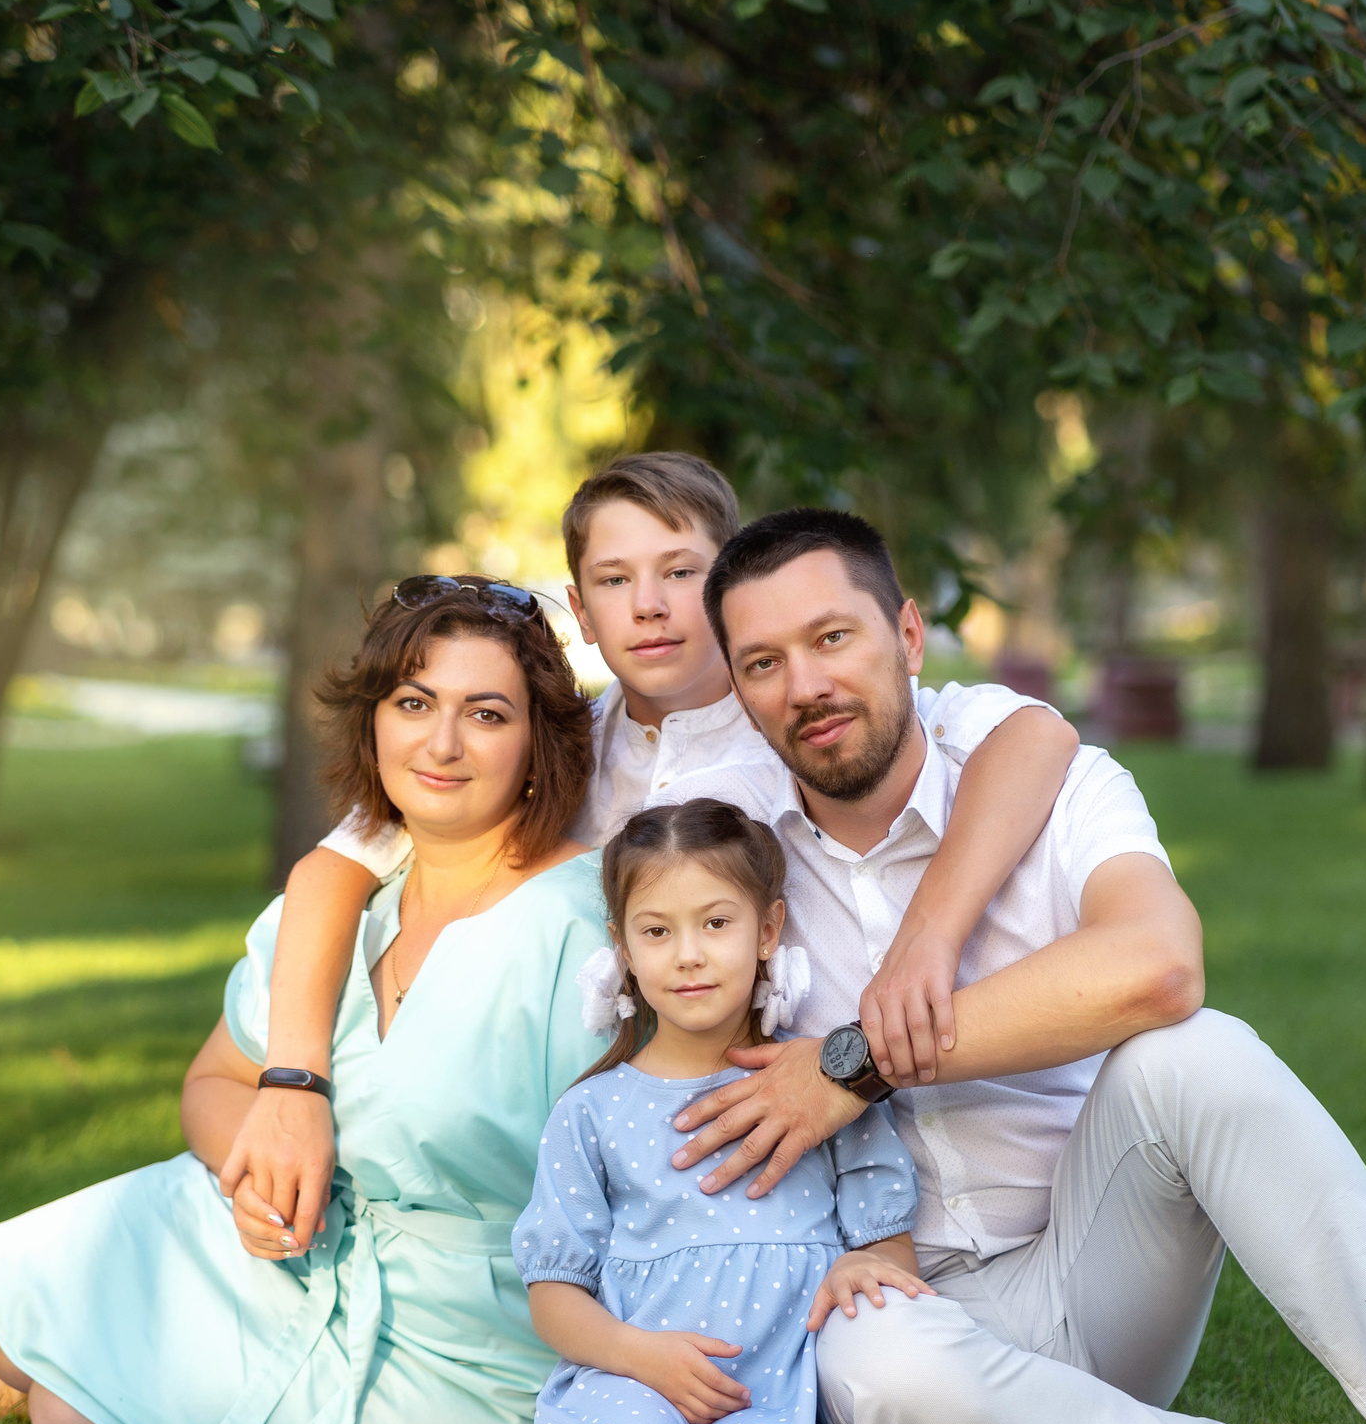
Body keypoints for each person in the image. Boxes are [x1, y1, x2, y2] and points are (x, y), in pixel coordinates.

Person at [650, 508, 1366, 1424]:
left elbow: (1159, 965)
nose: (805, 686)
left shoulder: (1049, 784)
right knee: (874, 1370)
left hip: (1097, 1261)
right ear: (736, 690)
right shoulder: (726, 853)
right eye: (763, 663)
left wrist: (855, 1064)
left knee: (1197, 1049)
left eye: (834, 639)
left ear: (908, 638)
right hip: (888, 1302)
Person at [234, 451, 1083, 1270]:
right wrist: (292, 1081)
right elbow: (340, 861)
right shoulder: (552, 749)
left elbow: (1032, 734)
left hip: (807, 1095)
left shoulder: (799, 719)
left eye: (679, 573)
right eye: (614, 580)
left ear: (724, 595)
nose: (648, 606)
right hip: (602, 1106)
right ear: (582, 605)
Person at [0, 576, 617, 1424]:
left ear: (540, 745)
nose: (441, 742)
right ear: (374, 724)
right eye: (414, 702)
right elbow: (212, 1084)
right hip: (295, 1254)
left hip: (477, 1325)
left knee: (70, 1422)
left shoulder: (583, 928)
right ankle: (21, 1360)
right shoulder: (348, 901)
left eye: (487, 714)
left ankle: (37, 1377)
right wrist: (265, 1164)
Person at [472, 800, 926, 1424]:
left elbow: (889, 1252)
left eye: (717, 923)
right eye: (657, 931)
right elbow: (554, 1293)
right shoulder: (592, 1110)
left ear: (768, 930)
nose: (688, 954)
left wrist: (859, 1267)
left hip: (766, 1396)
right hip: (630, 1382)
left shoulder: (825, 1091)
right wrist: (637, 1354)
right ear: (622, 947)